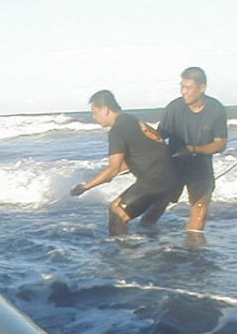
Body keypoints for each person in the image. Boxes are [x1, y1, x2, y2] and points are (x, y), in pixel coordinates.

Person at [70, 90, 180, 235]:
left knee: (117, 216)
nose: (94, 117)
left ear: (105, 109)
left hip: (155, 180)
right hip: (172, 178)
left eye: (95, 112)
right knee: (124, 212)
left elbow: (113, 170)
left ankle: (125, 255)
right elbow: (137, 157)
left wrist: (85, 187)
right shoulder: (131, 120)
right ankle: (152, 246)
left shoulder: (117, 130)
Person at [157, 67, 228, 232]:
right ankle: (147, 232)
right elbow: (158, 137)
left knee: (200, 207)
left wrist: (193, 149)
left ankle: (194, 248)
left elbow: (220, 144)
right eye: (181, 87)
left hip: (201, 165)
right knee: (159, 204)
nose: (183, 92)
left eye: (188, 88)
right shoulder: (173, 108)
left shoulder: (216, 109)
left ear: (202, 88)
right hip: (174, 164)